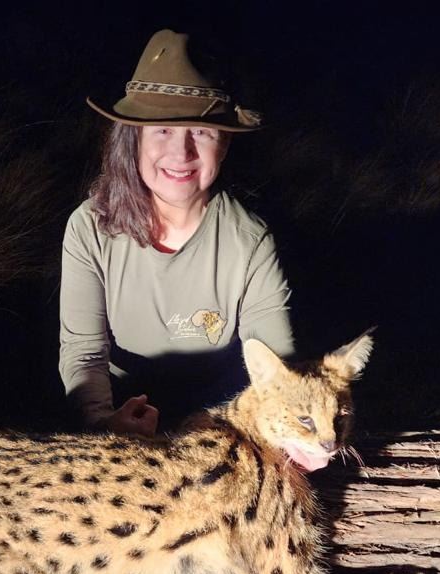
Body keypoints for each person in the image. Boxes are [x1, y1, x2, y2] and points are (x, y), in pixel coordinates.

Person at [59, 29, 295, 437]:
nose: (181, 153)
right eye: (163, 130)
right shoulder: (89, 228)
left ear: (224, 144)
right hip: (120, 412)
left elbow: (275, 365)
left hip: (221, 421)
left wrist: (287, 427)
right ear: (133, 139)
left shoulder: (251, 240)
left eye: (201, 132)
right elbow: (84, 351)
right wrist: (102, 422)